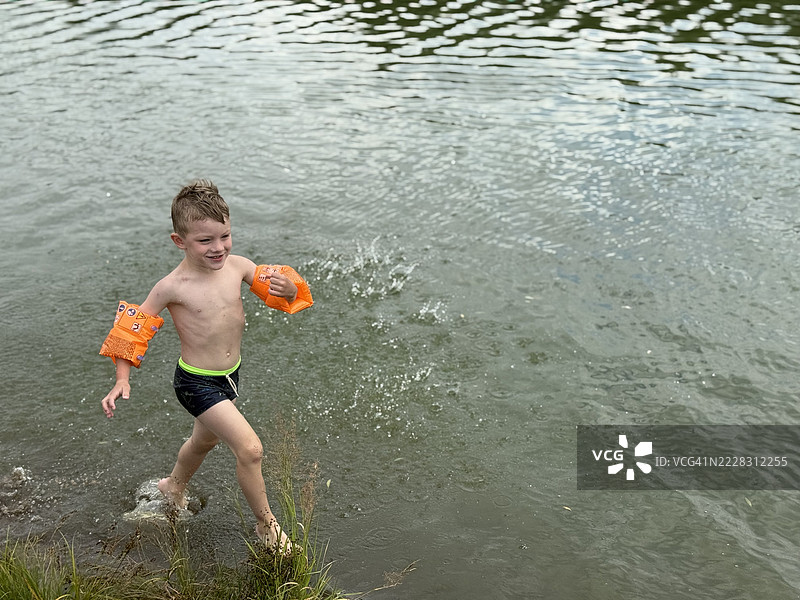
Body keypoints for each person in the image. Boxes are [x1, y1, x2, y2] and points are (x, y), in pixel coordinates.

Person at [99, 179, 312, 553]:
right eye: (205, 241)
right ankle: (267, 527)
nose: (219, 248)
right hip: (195, 382)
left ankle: (173, 486)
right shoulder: (172, 286)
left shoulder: (239, 266)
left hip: (229, 377)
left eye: (225, 236)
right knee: (250, 449)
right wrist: (121, 378)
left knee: (203, 440)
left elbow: (284, 291)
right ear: (179, 241)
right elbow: (131, 331)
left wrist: (290, 289)